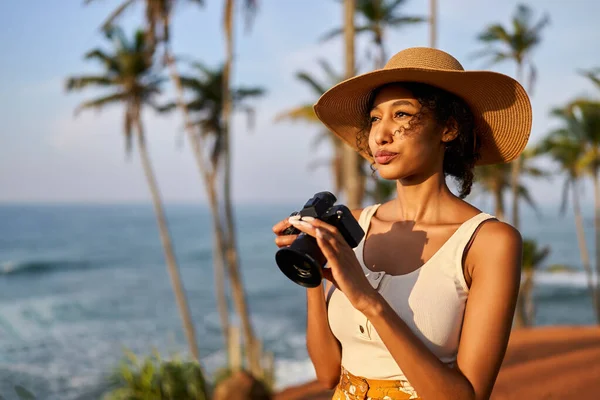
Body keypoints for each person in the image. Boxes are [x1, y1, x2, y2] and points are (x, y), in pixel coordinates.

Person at [272, 47, 531, 400]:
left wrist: (368, 300)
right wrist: (312, 269)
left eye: (402, 114)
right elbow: (328, 372)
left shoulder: (487, 242)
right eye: (376, 119)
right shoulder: (356, 226)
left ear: (449, 128)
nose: (381, 135)